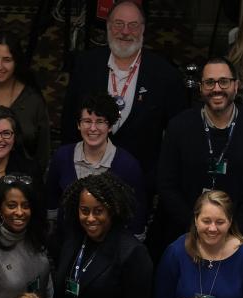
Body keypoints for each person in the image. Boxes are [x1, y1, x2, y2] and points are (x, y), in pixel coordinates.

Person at [58, 0, 186, 184]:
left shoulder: (164, 74)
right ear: (108, 27)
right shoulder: (85, 65)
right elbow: (69, 121)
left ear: (143, 29)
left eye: (133, 25)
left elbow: (176, 135)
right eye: (119, 24)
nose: (125, 32)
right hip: (87, 175)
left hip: (140, 180)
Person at [156, 57, 243, 240]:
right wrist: (195, 227)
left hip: (238, 236)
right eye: (209, 82)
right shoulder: (179, 126)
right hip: (187, 233)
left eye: (224, 82)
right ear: (201, 88)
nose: (217, 89)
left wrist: (234, 229)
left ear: (236, 85)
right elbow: (166, 183)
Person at [50, 172, 153, 298]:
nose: (90, 218)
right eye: (84, 210)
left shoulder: (131, 252)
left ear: (112, 210)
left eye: (98, 211)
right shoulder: (72, 238)